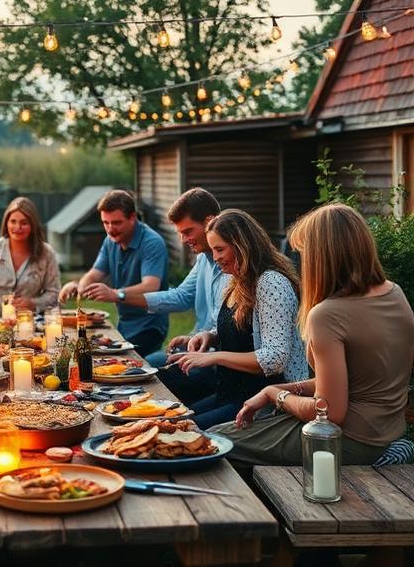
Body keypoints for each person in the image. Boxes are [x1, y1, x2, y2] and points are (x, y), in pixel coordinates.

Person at [212, 204, 414, 465]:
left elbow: (329, 411)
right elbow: (357, 381)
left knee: (214, 442)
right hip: (384, 432)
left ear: (322, 256)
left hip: (348, 440)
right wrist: (279, 389)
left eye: (305, 253)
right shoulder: (394, 294)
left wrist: (277, 396)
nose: (302, 261)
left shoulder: (328, 315)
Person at [168, 209, 309, 429]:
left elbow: (275, 358)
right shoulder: (238, 280)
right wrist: (209, 336)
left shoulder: (271, 283)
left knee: (184, 431)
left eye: (220, 249)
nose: (215, 258)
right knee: (170, 419)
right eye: (213, 250)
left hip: (264, 403)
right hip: (231, 394)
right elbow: (240, 327)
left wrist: (215, 358)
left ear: (242, 245)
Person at [119, 188, 229, 403]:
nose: (183, 240)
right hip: (198, 348)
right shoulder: (203, 260)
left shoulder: (231, 266)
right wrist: (120, 296)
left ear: (210, 222)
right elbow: (180, 297)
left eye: (188, 231)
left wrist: (199, 342)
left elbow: (231, 331)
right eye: (180, 233)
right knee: (143, 364)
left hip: (217, 362)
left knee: (149, 378)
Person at [59, 190, 169, 357]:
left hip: (149, 326)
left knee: (111, 360)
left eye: (116, 223)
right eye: (106, 223)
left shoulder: (152, 243)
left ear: (132, 217)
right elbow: (94, 275)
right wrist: (79, 286)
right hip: (124, 323)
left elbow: (151, 286)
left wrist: (114, 294)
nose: (110, 229)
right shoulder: (110, 241)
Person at [0, 196, 61, 316]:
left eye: (24, 223)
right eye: (13, 221)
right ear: (6, 223)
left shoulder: (46, 253)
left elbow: (54, 293)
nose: (17, 228)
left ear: (33, 225)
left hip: (27, 322)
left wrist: (33, 303)